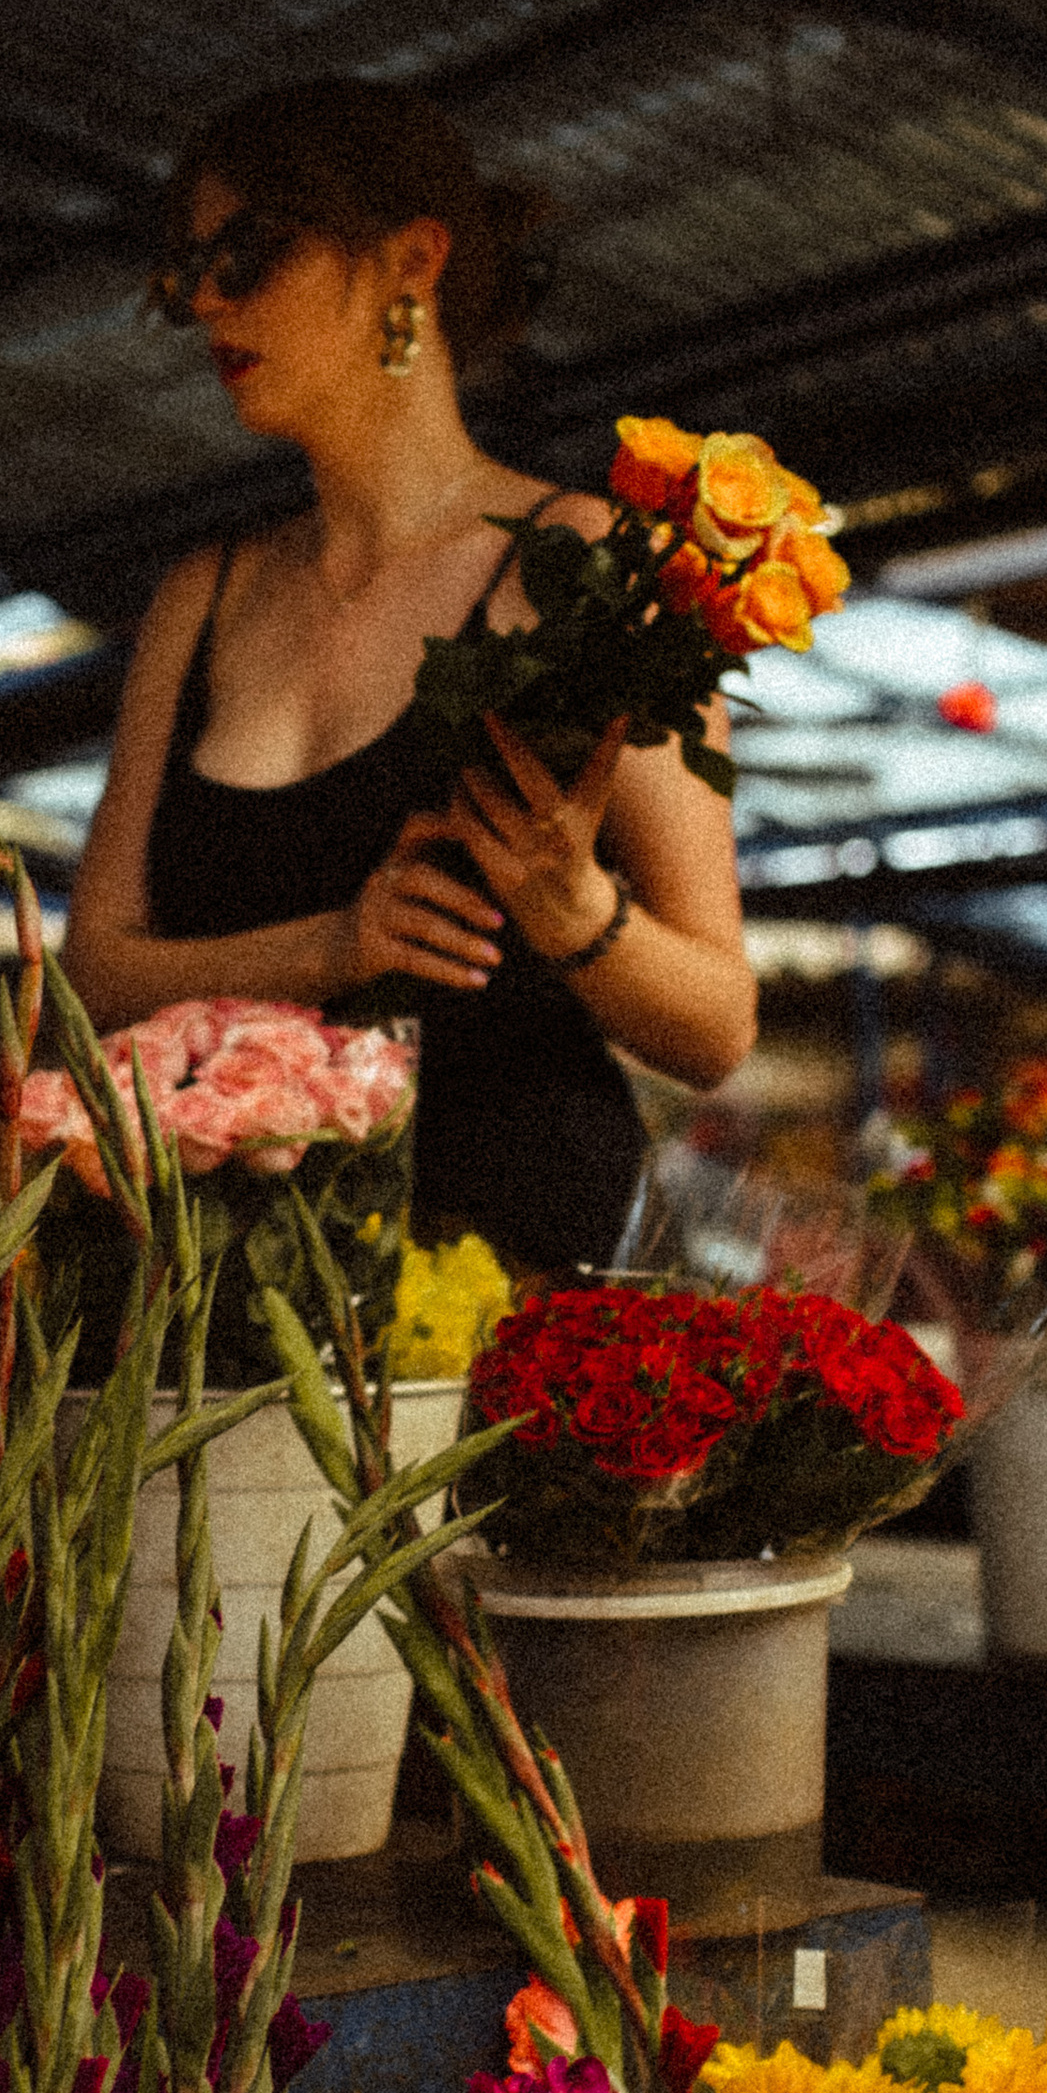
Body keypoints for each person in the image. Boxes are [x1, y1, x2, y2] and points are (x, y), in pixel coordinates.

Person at [63, 79, 759, 1270]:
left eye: (247, 255)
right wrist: (336, 947)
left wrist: (579, 915)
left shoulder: (582, 565)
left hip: (521, 1267)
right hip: (230, 1291)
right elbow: (96, 971)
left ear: (411, 260)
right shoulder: (203, 597)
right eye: (187, 272)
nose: (206, 301)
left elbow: (717, 1025)